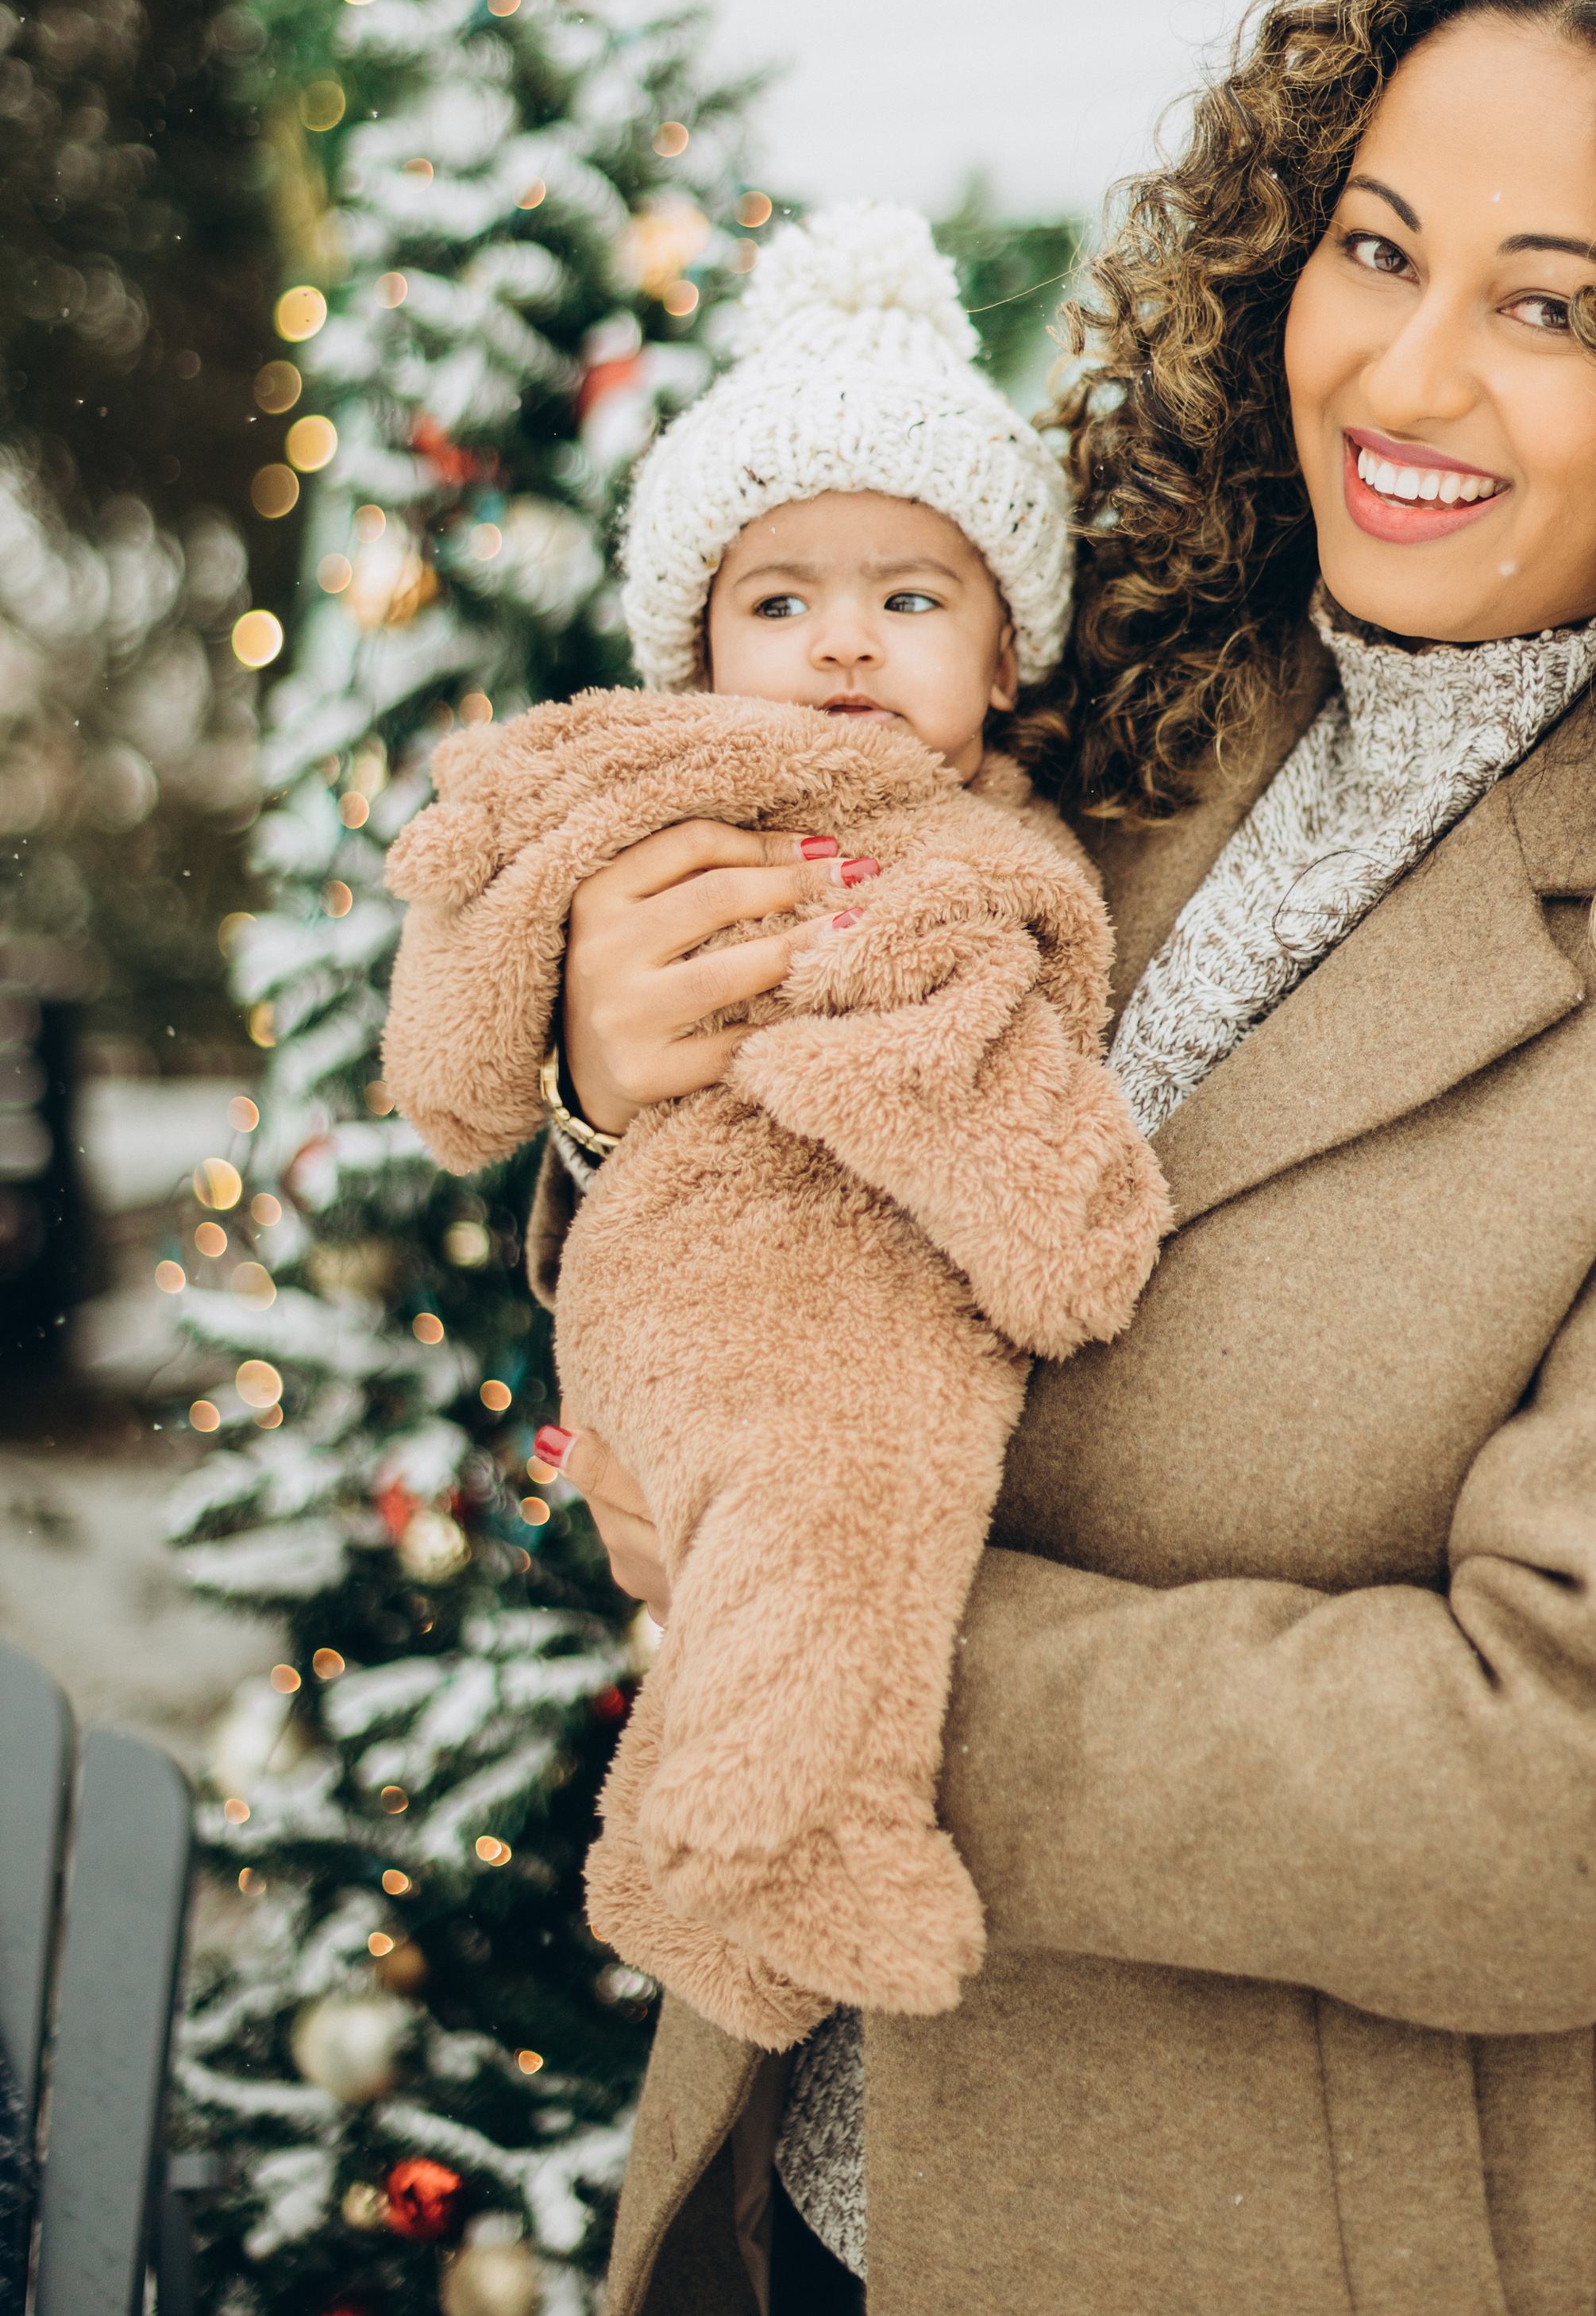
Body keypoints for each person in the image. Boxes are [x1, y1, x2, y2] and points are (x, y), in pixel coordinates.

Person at [539, 0, 1596, 2316]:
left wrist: (829, 1630)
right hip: (798, 2174)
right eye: (1376, 251)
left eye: (1556, 305)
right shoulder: (1119, 717)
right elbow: (818, 1232)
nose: (1406, 377)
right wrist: (634, 1077)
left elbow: (1588, 1791)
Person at [381, 205, 1166, 2063]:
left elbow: (988, 1026)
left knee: (825, 1546)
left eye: (908, 600)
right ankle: (792, 1845)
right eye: (778, 600)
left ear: (1002, 655)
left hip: (867, 1285)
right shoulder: (633, 791)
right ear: (695, 640)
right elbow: (471, 990)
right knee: (844, 1514)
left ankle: (702, 1864)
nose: (839, 650)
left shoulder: (1006, 846)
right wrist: (542, 1067)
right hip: (705, 1271)